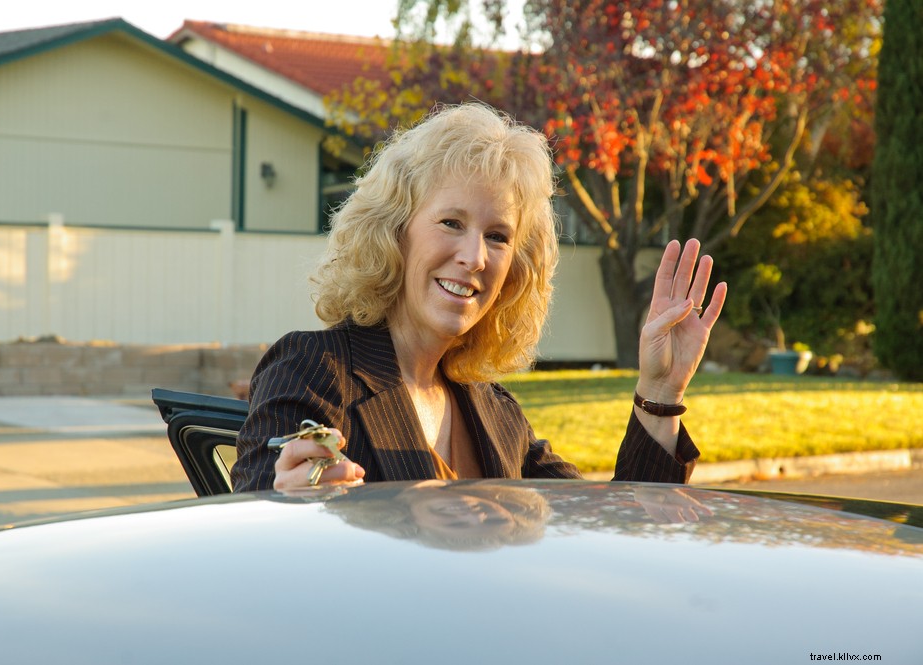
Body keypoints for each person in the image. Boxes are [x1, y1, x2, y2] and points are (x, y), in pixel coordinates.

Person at [231, 102, 727, 492]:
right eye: (451, 223)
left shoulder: (498, 414)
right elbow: (242, 539)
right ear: (395, 231)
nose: (475, 257)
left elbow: (610, 534)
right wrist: (284, 506)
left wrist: (660, 393)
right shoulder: (313, 370)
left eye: (498, 236)